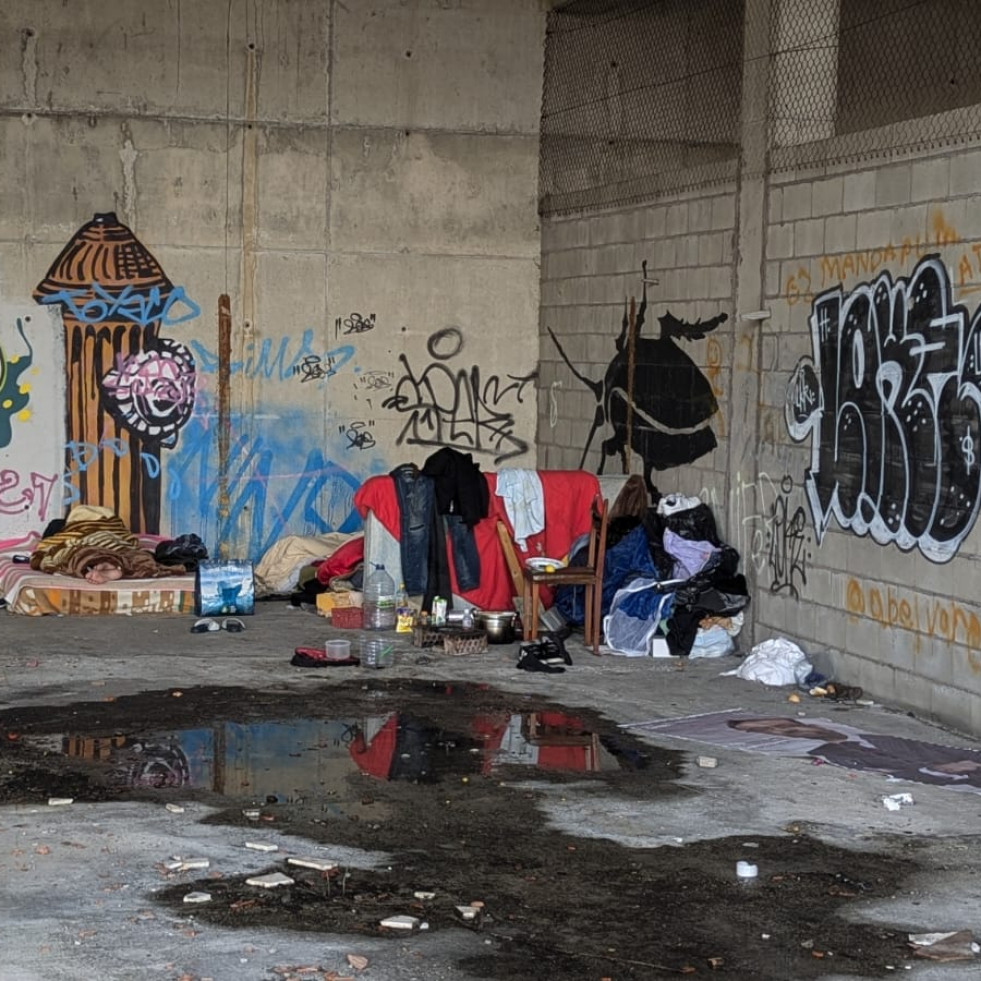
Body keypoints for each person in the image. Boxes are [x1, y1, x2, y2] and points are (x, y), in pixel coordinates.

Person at [727, 716, 981, 789]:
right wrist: (937, 770)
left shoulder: (885, 740)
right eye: (773, 732)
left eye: (781, 725)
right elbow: (904, 769)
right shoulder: (840, 755)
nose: (778, 730)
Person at [30, 505, 184, 582]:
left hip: (88, 539)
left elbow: (47, 548)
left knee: (74, 553)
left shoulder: (63, 528)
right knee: (132, 554)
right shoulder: (111, 521)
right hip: (115, 538)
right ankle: (112, 565)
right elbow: (130, 540)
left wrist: (42, 555)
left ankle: (98, 565)